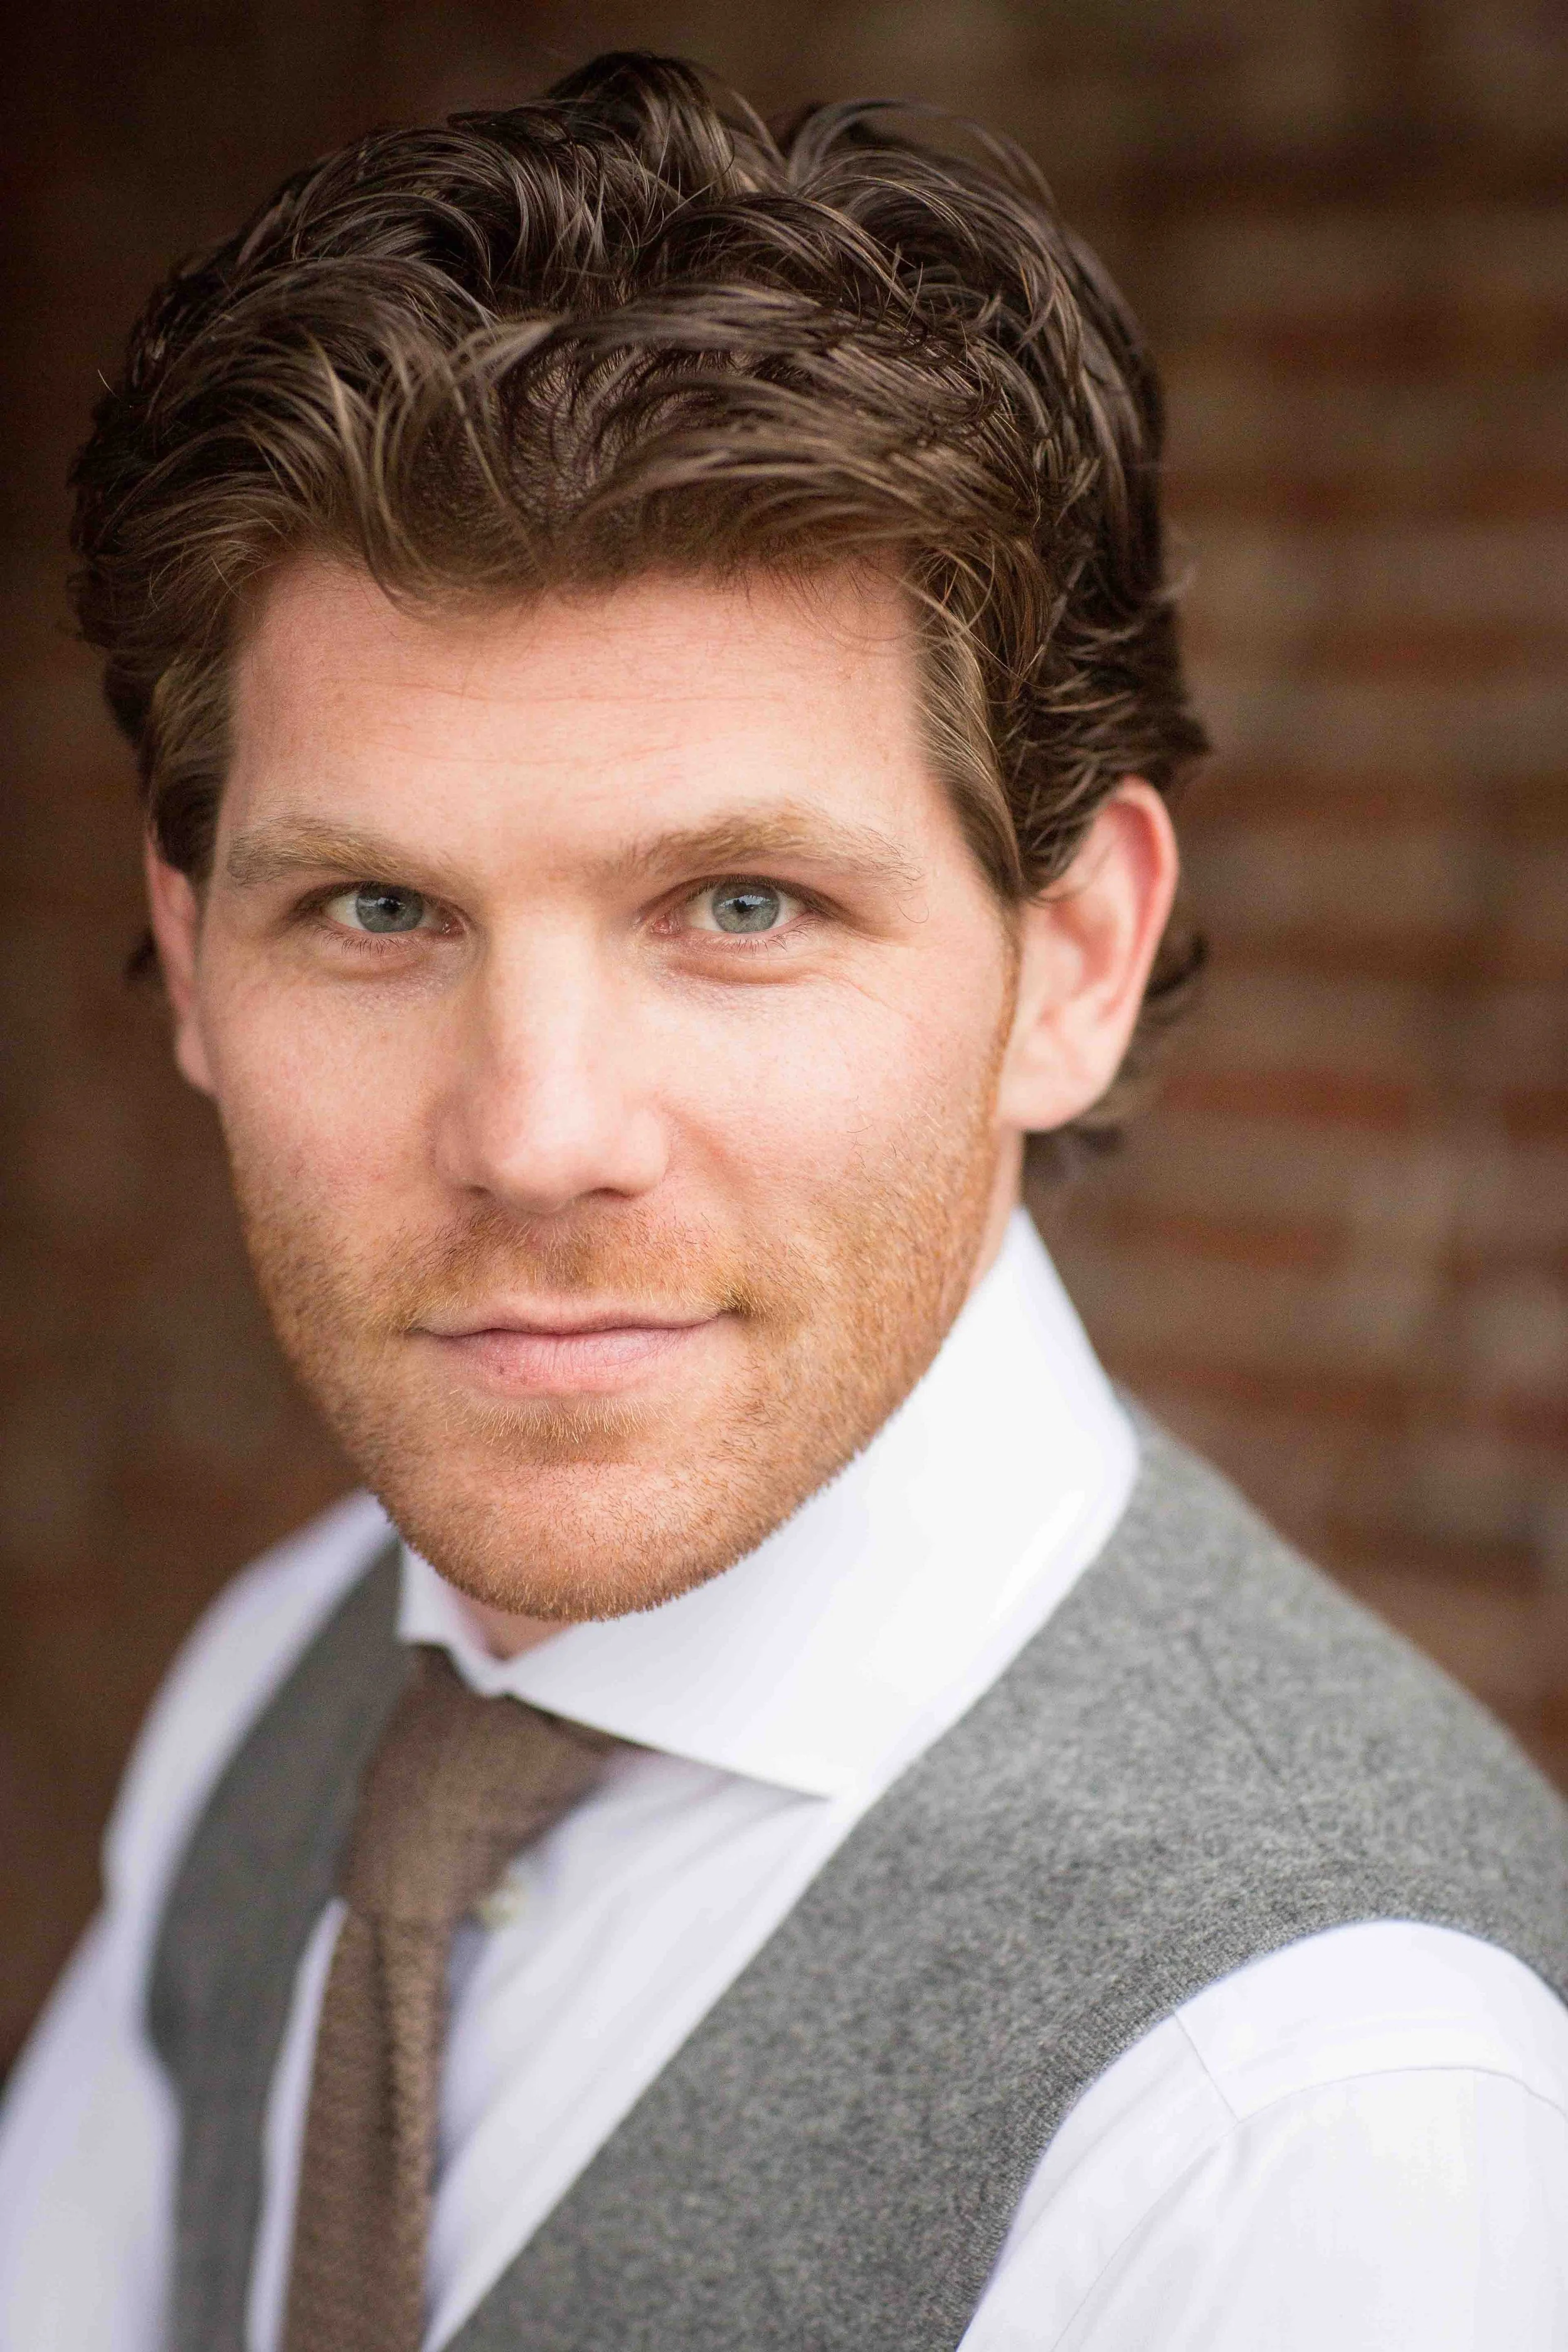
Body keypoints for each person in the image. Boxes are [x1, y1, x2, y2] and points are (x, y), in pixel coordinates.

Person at [1, 49, 1565, 2352]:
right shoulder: (285, 1671)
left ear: (1075, 962)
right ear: (196, 952)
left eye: (737, 904)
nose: (536, 1133)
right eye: (372, 911)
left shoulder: (1321, 2122)